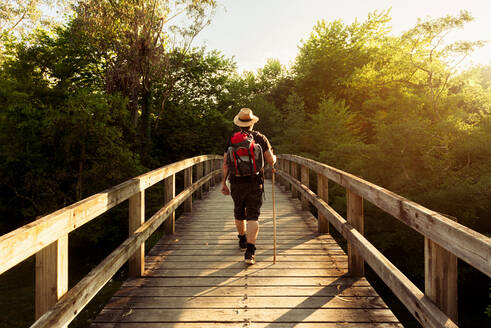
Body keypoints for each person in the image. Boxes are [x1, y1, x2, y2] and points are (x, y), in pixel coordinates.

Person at [221, 108, 276, 265]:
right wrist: (275, 160)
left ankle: (242, 239)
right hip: (255, 181)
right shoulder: (260, 138)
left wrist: (223, 183)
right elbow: (270, 160)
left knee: (239, 210)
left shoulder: (232, 139)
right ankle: (250, 252)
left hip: (236, 181)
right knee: (253, 215)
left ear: (239, 123)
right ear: (252, 123)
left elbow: (225, 163)